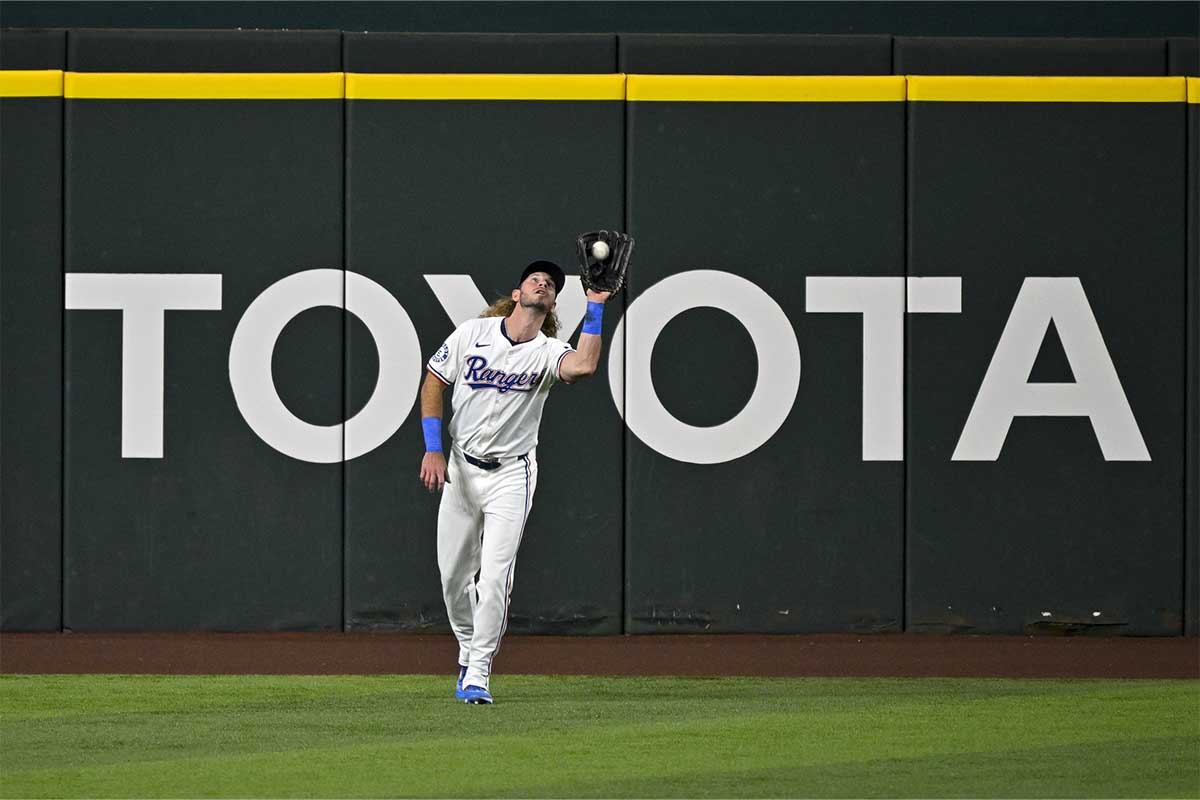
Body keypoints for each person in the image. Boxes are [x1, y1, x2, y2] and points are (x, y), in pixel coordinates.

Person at [418, 259, 611, 704]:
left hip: (511, 474)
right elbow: (433, 379)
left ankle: (479, 672)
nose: (542, 283)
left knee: (496, 577)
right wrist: (432, 447)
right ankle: (469, 648)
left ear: (554, 302)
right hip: (461, 468)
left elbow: (582, 366)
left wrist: (596, 304)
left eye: (550, 284)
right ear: (517, 292)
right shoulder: (472, 333)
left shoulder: (547, 351)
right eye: (534, 279)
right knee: (452, 578)